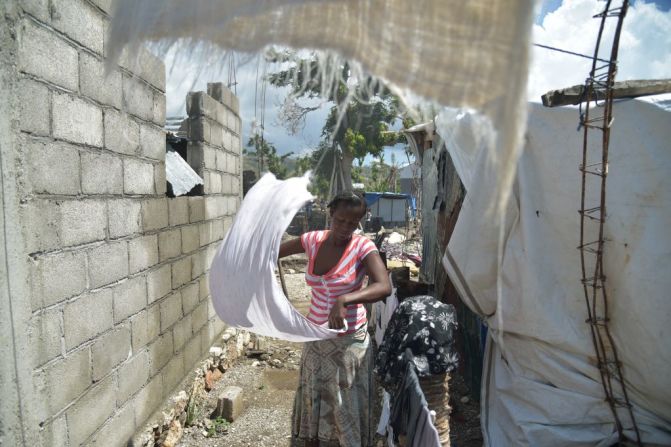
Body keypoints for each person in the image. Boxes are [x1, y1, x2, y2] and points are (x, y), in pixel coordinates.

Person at [279, 191, 392, 447]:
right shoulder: (312, 241)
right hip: (315, 338)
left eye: (353, 223)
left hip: (348, 340)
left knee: (344, 402)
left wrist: (345, 300)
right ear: (331, 214)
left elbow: (384, 286)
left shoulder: (362, 247)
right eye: (340, 220)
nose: (345, 228)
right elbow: (270, 253)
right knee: (313, 397)